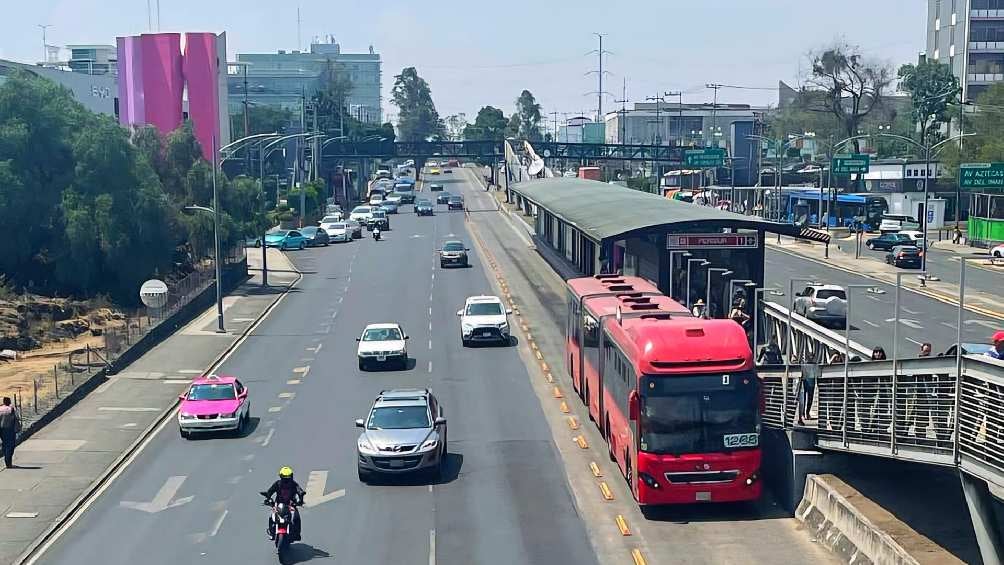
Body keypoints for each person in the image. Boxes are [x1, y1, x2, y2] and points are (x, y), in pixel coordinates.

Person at [262, 466, 306, 541]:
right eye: (284, 478)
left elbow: (299, 491)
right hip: (278, 504)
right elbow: (270, 491)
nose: (286, 480)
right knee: (271, 516)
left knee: (296, 518)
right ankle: (271, 531)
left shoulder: (294, 484)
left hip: (291, 505)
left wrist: (300, 499)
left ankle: (297, 534)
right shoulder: (277, 484)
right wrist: (268, 498)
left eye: (288, 478)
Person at [0, 397, 21, 469]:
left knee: (5, 444)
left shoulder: (0, 408)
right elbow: (17, 418)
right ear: (9, 402)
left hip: (1, 429)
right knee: (11, 446)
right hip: (10, 429)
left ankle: (7, 459)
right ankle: (8, 462)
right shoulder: (11, 409)